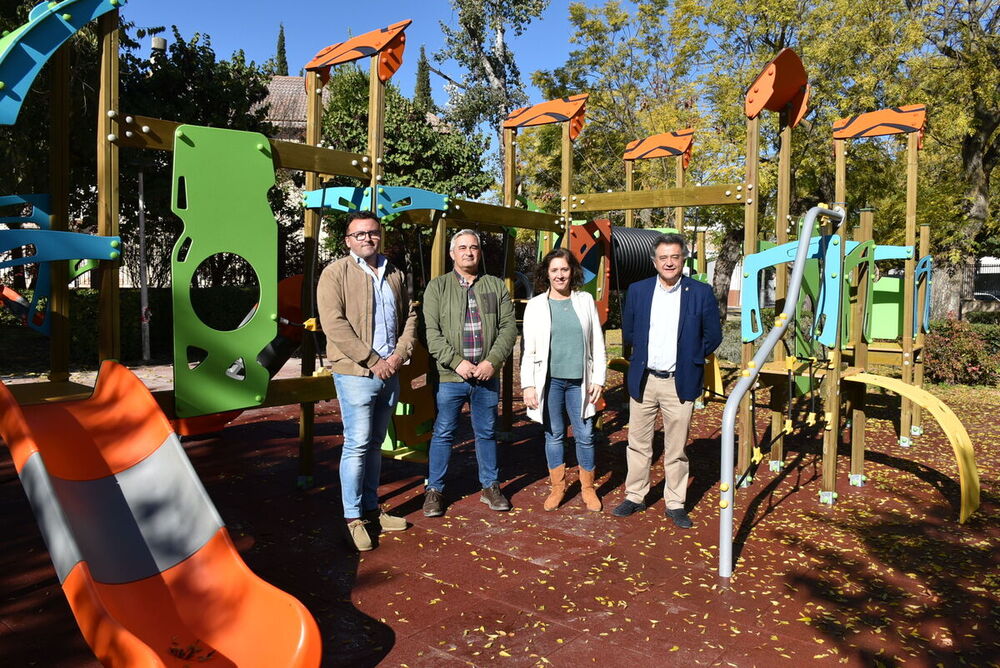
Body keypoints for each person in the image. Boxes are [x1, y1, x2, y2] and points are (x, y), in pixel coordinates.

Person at [317, 211, 418, 551]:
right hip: (357, 373)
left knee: (375, 444)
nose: (366, 239)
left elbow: (410, 317)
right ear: (347, 240)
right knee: (357, 444)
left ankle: (372, 510)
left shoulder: (395, 273)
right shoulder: (335, 274)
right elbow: (334, 325)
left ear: (380, 236)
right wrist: (375, 361)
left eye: (372, 233)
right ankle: (353, 517)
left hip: (389, 370)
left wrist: (398, 356)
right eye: (358, 234)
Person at [612, 233, 722, 528]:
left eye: (675, 256)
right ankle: (635, 496)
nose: (669, 262)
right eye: (663, 257)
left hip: (680, 380)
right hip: (645, 379)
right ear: (654, 261)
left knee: (676, 448)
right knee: (637, 443)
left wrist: (691, 357)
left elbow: (713, 335)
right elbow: (630, 332)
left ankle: (675, 502)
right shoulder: (638, 290)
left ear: (683, 258)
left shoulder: (700, 292)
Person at [421, 229, 518, 517]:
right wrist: (456, 362)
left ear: (480, 252)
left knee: (486, 432)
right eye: (462, 247)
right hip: (452, 377)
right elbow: (431, 334)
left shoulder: (495, 286)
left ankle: (490, 486)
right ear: (452, 253)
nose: (468, 252)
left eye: (474, 247)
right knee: (443, 433)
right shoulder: (437, 288)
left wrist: (492, 362)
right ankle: (435, 489)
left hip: (486, 376)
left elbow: (508, 328)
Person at [521, 248, 607, 511]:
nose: (560, 275)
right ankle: (558, 487)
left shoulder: (585, 301)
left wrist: (598, 379)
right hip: (550, 382)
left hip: (580, 381)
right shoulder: (536, 305)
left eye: (564, 269)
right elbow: (529, 349)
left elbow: (598, 344)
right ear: (546, 274)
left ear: (573, 272)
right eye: (554, 270)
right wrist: (528, 385)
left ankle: (587, 488)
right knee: (554, 435)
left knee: (585, 434)